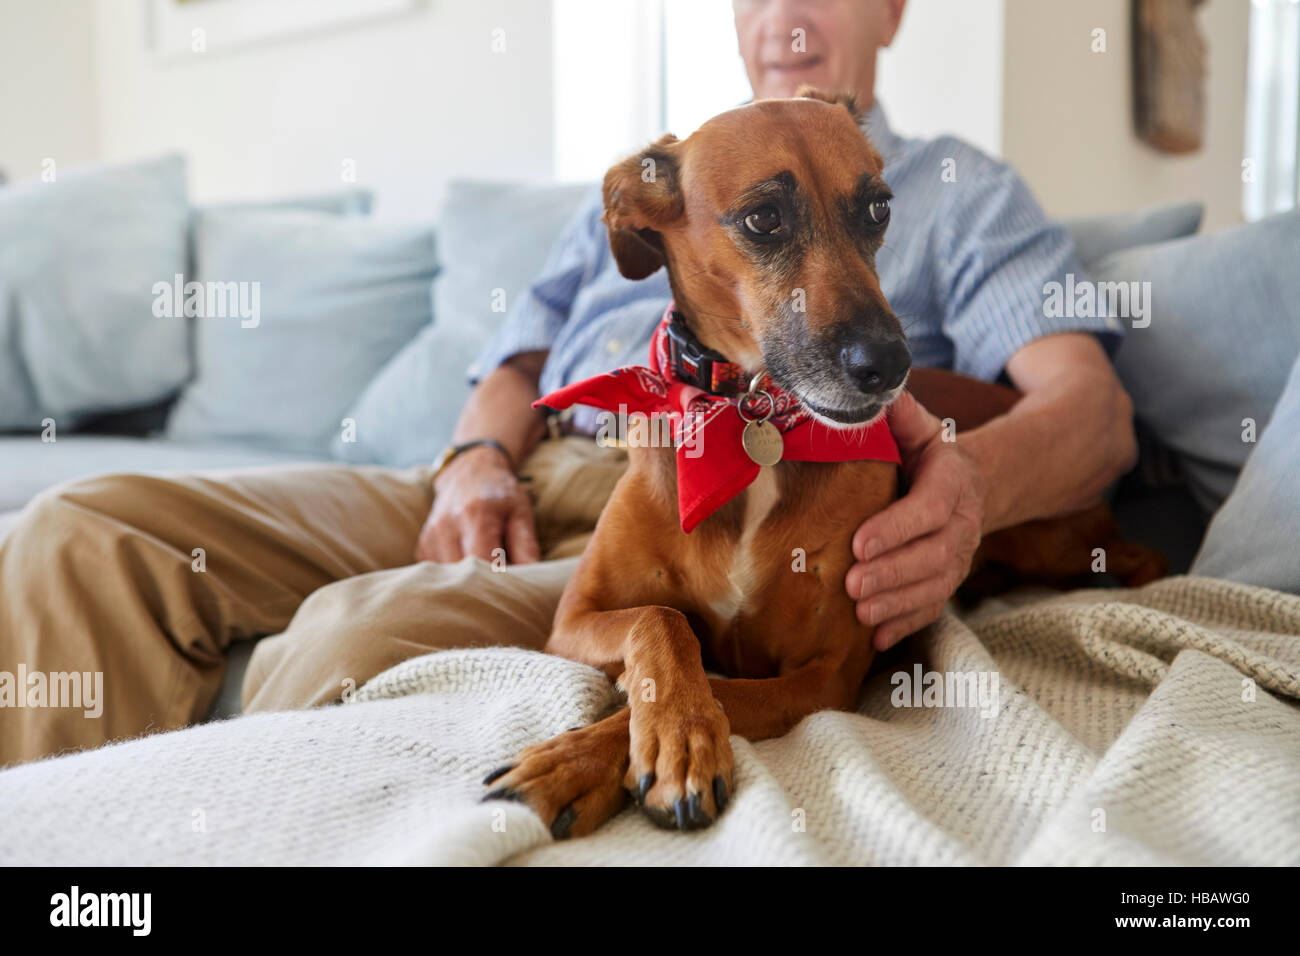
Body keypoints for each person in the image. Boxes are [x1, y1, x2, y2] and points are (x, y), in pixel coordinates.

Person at [0, 0, 1135, 766]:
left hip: (687, 501)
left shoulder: (960, 188)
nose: (789, 13)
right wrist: (474, 460)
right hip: (498, 469)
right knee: (79, 531)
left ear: (892, 7)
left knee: (348, 641)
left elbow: (1093, 416)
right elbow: (518, 359)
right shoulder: (666, 174)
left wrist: (962, 482)